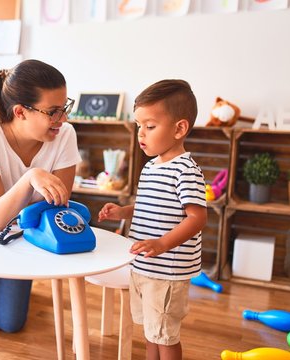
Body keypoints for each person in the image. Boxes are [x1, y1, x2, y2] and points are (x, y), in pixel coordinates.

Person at [0, 59, 81, 333]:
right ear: (20, 112)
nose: (63, 119)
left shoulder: (64, 134)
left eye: (65, 107)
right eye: (54, 112)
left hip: (20, 224)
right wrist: (30, 177)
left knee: (10, 323)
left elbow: (58, 205)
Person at [98, 79, 207, 360]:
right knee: (150, 331)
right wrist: (123, 211)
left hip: (167, 271)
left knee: (165, 335)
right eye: (138, 126)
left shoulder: (186, 169)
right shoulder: (150, 166)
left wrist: (162, 244)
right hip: (144, 265)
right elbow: (148, 205)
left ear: (179, 128)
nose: (141, 134)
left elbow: (197, 217)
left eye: (150, 126)